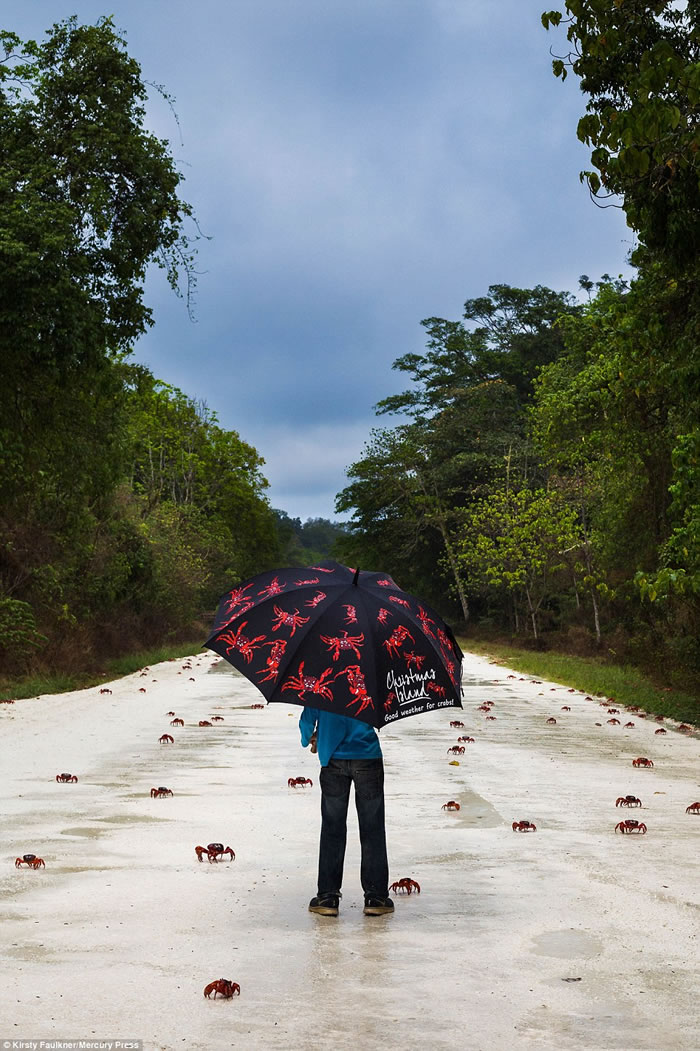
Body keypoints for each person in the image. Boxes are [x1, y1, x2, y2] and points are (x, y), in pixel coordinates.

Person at [299, 706, 393, 917]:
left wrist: (310, 738)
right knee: (372, 828)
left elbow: (307, 721)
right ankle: (376, 897)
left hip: (333, 759)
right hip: (367, 757)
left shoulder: (322, 686)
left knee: (332, 828)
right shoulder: (371, 685)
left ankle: (327, 897)